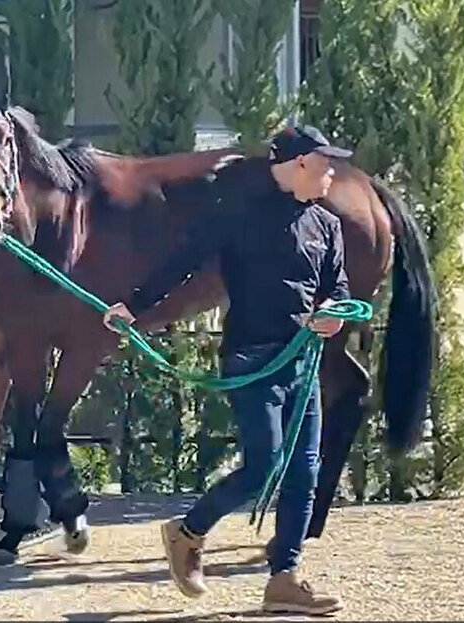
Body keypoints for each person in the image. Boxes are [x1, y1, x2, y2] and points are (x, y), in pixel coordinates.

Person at [102, 125, 352, 615]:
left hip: (301, 360)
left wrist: (335, 314)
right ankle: (188, 532)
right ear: (300, 162)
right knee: (265, 466)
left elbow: (338, 288)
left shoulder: (327, 225)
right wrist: (134, 305)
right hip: (253, 359)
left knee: (304, 472)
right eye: (326, 163)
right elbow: (185, 259)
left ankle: (285, 578)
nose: (332, 172)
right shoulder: (240, 213)